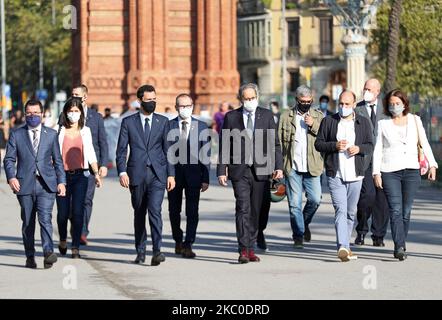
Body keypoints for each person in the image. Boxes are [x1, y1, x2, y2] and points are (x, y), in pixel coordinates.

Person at [217, 83, 283, 264]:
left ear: (257, 97)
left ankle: (252, 246)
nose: (249, 101)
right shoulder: (232, 117)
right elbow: (224, 145)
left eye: (252, 98)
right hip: (240, 170)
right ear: (241, 99)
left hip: (262, 170)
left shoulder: (267, 115)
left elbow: (275, 144)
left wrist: (278, 167)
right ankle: (243, 249)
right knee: (242, 208)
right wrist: (222, 170)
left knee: (256, 210)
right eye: (246, 99)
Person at [372, 89, 438, 261]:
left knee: (406, 211)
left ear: (404, 104)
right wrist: (376, 172)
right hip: (389, 171)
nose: (394, 107)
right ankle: (399, 245)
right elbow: (378, 149)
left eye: (397, 103)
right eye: (391, 104)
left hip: (411, 170)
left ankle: (401, 241)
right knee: (395, 209)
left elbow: (424, 143)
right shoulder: (383, 124)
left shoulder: (415, 120)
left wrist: (433, 165)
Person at [116, 84, 175, 266]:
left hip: (158, 174)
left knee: (155, 211)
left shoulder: (163, 122)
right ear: (140, 100)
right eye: (149, 100)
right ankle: (140, 250)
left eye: (154, 99)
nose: (152, 102)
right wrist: (122, 171)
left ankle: (157, 251)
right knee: (139, 212)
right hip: (137, 174)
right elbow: (121, 150)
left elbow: (168, 150)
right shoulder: (128, 122)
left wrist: (170, 175)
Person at [3, 99, 66, 269]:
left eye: (36, 113)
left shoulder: (51, 135)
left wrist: (62, 182)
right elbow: (9, 159)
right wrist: (11, 177)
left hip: (46, 185)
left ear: (42, 113)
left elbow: (58, 161)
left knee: (45, 218)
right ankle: (30, 256)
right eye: (29, 113)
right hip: (24, 184)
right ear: (25, 114)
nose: (33, 116)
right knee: (28, 222)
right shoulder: (17, 134)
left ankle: (47, 252)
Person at [315, 90, 373, 262]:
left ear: (354, 105)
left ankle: (346, 247)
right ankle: (342, 246)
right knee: (340, 209)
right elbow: (319, 144)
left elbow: (370, 145)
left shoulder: (363, 122)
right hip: (335, 173)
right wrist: (334, 145)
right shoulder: (329, 121)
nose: (343, 107)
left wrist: (359, 149)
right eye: (341, 103)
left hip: (356, 174)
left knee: (350, 212)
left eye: (347, 104)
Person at [278, 85, 324, 248]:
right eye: (302, 101)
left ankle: (303, 224)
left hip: (313, 166)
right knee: (294, 205)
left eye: (308, 101)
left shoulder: (318, 116)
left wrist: (313, 125)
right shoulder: (285, 117)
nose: (306, 104)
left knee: (315, 200)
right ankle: (298, 235)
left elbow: (326, 138)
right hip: (292, 167)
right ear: (296, 100)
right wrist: (277, 167)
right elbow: (278, 144)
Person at [56, 97, 102, 259]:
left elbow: (90, 153)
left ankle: (75, 246)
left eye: (76, 111)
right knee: (62, 213)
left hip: (80, 177)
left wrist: (96, 174)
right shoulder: (59, 130)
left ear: (81, 113)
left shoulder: (85, 130)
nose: (73, 114)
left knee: (77, 212)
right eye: (70, 111)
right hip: (62, 178)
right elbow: (53, 154)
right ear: (65, 112)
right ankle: (62, 239)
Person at [168, 94, 211, 258]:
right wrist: (168, 175)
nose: (185, 108)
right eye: (182, 106)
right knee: (174, 210)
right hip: (174, 176)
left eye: (188, 105)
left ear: (192, 106)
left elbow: (205, 153)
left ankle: (188, 243)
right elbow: (165, 151)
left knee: (192, 211)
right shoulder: (169, 125)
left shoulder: (201, 126)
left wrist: (206, 178)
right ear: (176, 107)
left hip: (194, 175)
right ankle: (178, 239)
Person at [71, 84, 109, 245]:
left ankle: (82, 232)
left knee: (86, 199)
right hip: (71, 164)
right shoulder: (65, 115)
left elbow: (103, 142)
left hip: (91, 166)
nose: (74, 97)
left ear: (85, 97)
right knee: (72, 200)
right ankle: (75, 228)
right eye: (72, 94)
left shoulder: (96, 117)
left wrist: (104, 164)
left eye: (77, 95)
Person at [354, 79, 390, 247]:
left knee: (382, 200)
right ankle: (361, 230)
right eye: (364, 88)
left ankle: (378, 235)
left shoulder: (387, 108)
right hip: (366, 160)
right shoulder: (357, 109)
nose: (365, 91)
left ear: (377, 91)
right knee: (367, 197)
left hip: (384, 161)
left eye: (369, 89)